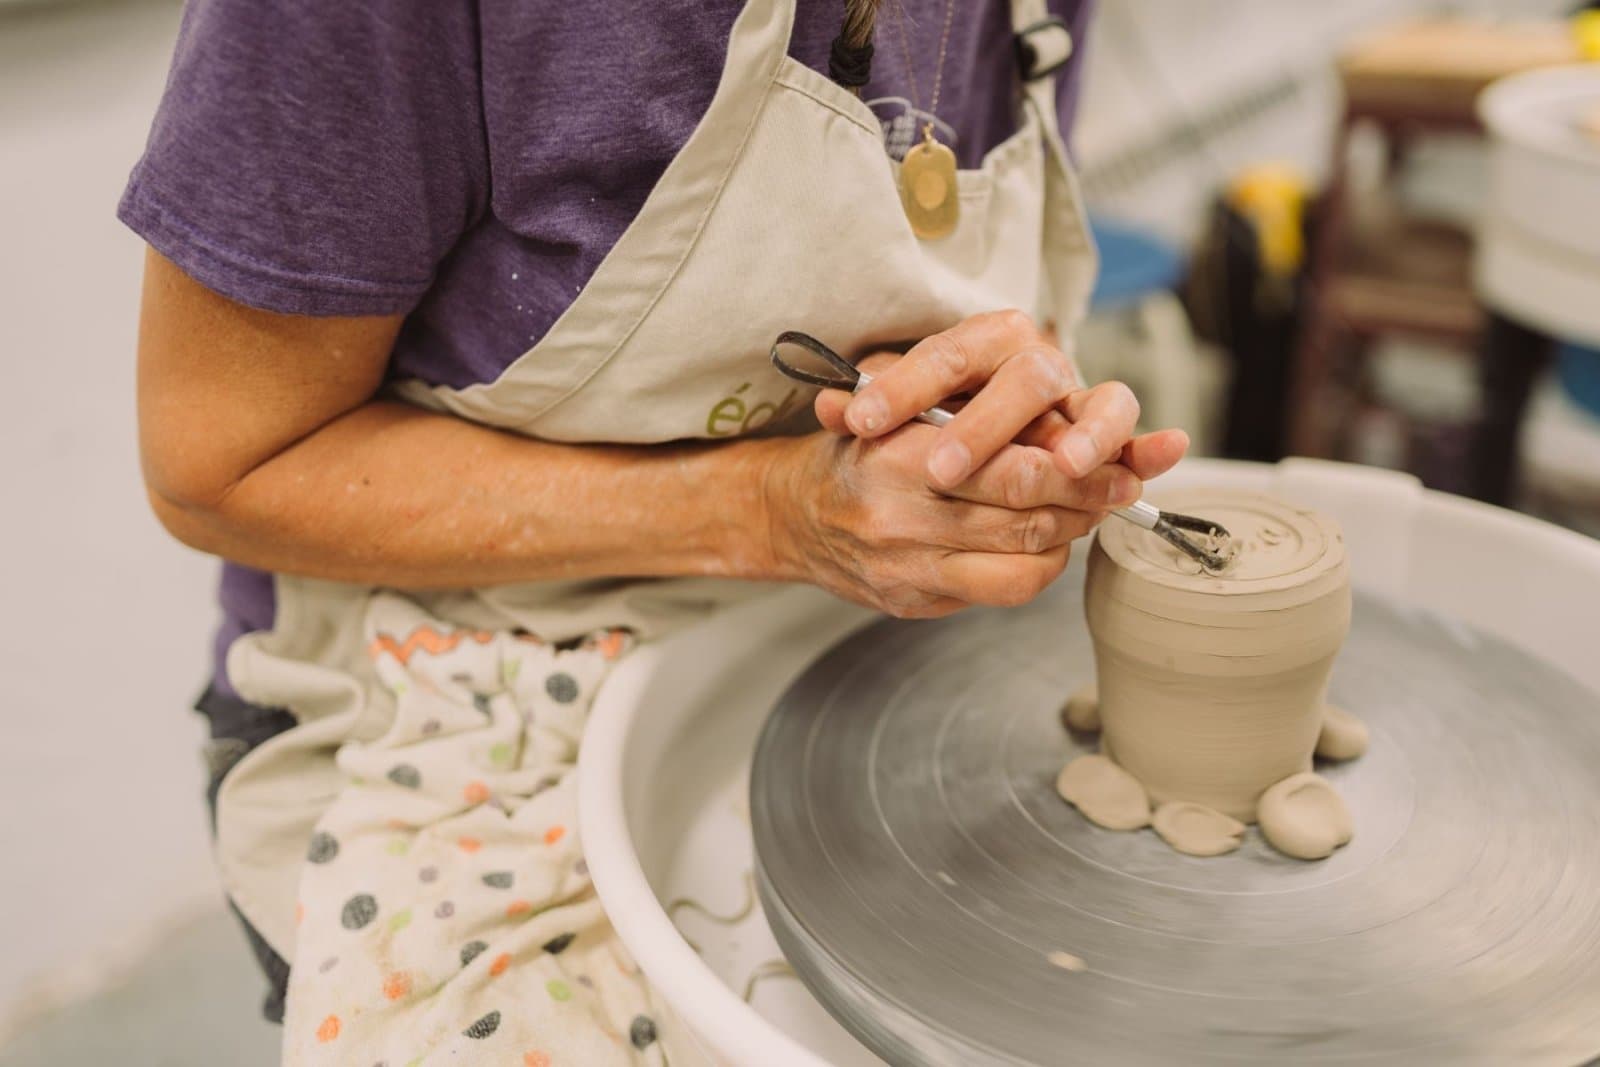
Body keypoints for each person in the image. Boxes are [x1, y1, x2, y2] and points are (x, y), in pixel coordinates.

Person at [120, 0, 1188, 1061]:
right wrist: (772, 511)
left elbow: (949, 288)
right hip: (457, 676)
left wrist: (1007, 430)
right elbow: (223, 469)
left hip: (838, 633)